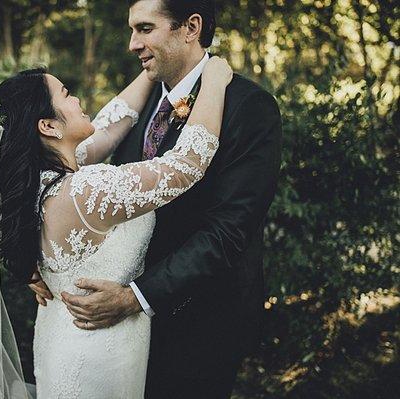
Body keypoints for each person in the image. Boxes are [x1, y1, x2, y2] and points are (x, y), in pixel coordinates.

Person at [31, 0, 283, 398]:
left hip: (199, 324)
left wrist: (137, 297)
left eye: (145, 29)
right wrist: (37, 261)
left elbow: (230, 230)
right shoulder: (139, 105)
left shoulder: (249, 107)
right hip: (113, 332)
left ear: (191, 27)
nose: (132, 43)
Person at [0, 56, 233, 398]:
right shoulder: (85, 190)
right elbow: (184, 165)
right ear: (48, 126)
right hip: (100, 352)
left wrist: (152, 68)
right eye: (66, 94)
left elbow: (111, 127)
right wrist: (215, 79)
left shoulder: (33, 184)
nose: (77, 99)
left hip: (60, 337)